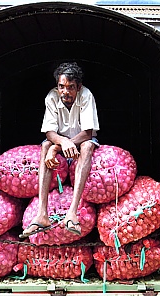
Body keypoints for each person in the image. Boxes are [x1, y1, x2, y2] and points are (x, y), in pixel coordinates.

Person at [20, 62, 99, 238]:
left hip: (81, 140)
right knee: (45, 145)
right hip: (62, 142)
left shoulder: (86, 95)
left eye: (71, 88)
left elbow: (87, 132)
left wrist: (58, 146)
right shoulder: (52, 97)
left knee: (87, 146)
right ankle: (42, 215)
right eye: (61, 87)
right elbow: (49, 131)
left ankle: (72, 214)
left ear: (78, 87)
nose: (65, 92)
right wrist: (59, 143)